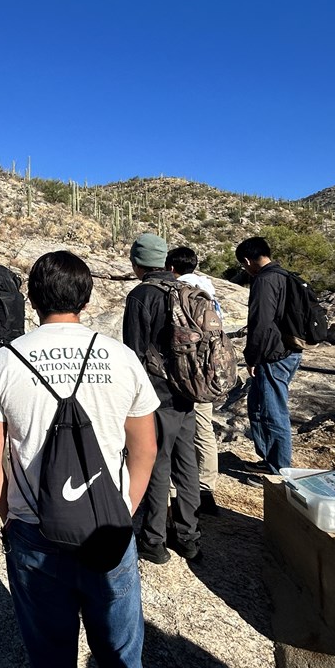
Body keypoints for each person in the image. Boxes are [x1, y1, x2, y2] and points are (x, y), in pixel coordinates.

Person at [0, 250, 159, 668]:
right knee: (121, 661)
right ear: (87, 295)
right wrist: (126, 507)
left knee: (50, 665)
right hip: (109, 532)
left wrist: (14, 517)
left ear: (31, 298)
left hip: (36, 534)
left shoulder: (4, 361)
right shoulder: (120, 356)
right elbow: (146, 448)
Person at [123, 233, 201, 563]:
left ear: (137, 263)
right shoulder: (188, 290)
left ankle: (154, 540)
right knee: (187, 466)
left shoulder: (142, 294)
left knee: (156, 465)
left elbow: (133, 353)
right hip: (189, 392)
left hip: (157, 397)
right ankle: (189, 537)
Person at [235, 237, 301, 481]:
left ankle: (278, 471)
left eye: (244, 266)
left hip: (272, 355)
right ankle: (269, 460)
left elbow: (260, 324)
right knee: (259, 406)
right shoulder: (284, 275)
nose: (245, 270)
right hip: (289, 350)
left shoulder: (264, 280)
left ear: (247, 260)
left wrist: (251, 357)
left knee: (274, 412)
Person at [166, 245, 223, 516]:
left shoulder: (177, 293)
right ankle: (206, 487)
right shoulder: (207, 292)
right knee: (204, 431)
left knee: (176, 433)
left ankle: (176, 492)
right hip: (207, 372)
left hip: (182, 375)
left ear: (171, 268)